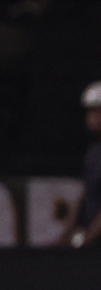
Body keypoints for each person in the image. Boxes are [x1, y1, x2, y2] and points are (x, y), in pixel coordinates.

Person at [60, 81, 101, 247]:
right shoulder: (93, 152)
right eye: (90, 111)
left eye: (97, 111)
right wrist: (65, 235)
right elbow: (86, 194)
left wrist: (89, 237)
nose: (91, 116)